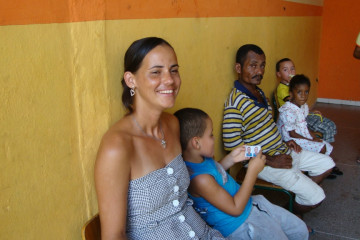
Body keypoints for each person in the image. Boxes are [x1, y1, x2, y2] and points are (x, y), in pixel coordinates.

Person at [95, 37, 225, 239]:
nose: (170, 80)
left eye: (174, 70)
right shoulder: (118, 146)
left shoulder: (172, 124)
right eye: (156, 72)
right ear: (131, 80)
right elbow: (114, 235)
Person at [222, 44, 335, 221]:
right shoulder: (235, 103)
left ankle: (293, 202)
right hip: (263, 163)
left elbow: (268, 127)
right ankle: (286, 214)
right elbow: (232, 146)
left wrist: (284, 141)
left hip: (283, 149)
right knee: (316, 197)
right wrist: (269, 158)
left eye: (262, 65)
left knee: (327, 163)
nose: (259, 71)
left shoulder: (259, 93)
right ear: (238, 68)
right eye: (253, 65)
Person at [175, 107, 309, 240]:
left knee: (300, 230)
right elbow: (235, 209)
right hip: (241, 226)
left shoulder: (202, 158)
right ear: (196, 142)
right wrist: (252, 172)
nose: (214, 138)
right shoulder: (199, 180)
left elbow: (216, 174)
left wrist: (231, 158)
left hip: (251, 205)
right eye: (211, 134)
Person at [275, 58, 338, 144]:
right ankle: (323, 144)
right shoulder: (282, 89)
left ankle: (323, 143)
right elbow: (294, 102)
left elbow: (301, 106)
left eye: (292, 69)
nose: (290, 72)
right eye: (285, 70)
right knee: (326, 128)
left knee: (331, 125)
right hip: (295, 119)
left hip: (302, 115)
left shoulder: (295, 86)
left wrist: (310, 112)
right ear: (279, 74)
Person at [277, 74, 333, 155]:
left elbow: (303, 126)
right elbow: (292, 134)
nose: (303, 96)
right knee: (321, 147)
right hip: (291, 139)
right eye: (299, 92)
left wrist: (313, 137)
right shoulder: (288, 110)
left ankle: (325, 164)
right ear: (291, 94)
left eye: (306, 92)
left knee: (325, 145)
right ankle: (317, 165)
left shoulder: (303, 106)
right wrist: (309, 140)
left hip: (301, 134)